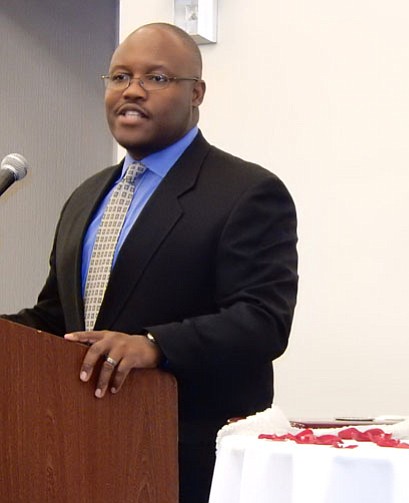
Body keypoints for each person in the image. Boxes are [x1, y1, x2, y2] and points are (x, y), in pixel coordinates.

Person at [3, 23, 298, 503]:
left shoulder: (246, 192)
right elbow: (59, 319)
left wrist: (155, 345)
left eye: (156, 78)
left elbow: (263, 321)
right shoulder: (86, 197)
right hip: (84, 447)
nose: (132, 90)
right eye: (119, 76)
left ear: (196, 92)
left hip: (189, 457)